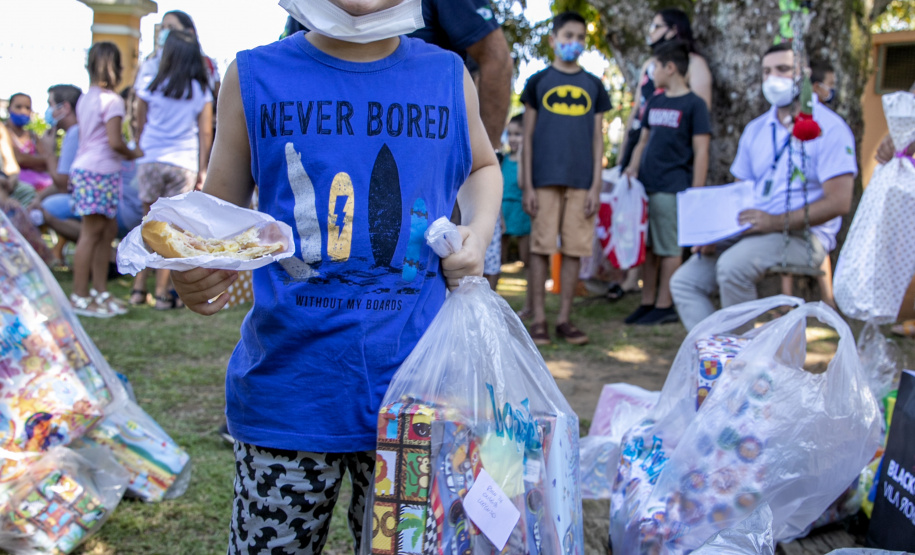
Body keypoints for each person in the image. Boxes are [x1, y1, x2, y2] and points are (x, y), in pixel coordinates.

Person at [170, 0, 500, 551]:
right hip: (287, 399)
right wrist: (194, 269)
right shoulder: (252, 76)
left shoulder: (447, 75)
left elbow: (483, 166)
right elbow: (217, 219)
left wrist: (481, 231)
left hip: (415, 402)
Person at [670, 42, 857, 331]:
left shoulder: (831, 128)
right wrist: (715, 233)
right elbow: (738, 192)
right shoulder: (755, 129)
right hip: (751, 230)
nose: (773, 78)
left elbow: (839, 202)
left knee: (732, 267)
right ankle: (719, 354)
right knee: (684, 282)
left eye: (783, 69)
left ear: (803, 74)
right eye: (766, 71)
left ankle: (747, 367)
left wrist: (774, 221)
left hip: (804, 237)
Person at [520, 11, 611, 346]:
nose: (574, 43)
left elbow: (598, 138)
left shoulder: (593, 85)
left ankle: (564, 319)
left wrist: (596, 184)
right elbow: (527, 137)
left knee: (574, 249)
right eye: (568, 36)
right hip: (543, 179)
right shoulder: (538, 82)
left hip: (581, 180)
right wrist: (527, 183)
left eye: (580, 37)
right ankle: (540, 319)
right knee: (541, 248)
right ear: (553, 40)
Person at [623, 40, 710, 326]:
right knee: (647, 249)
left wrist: (695, 193)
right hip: (645, 187)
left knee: (669, 248)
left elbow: (701, 151)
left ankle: (665, 304)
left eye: (655, 67)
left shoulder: (694, 104)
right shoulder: (655, 101)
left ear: (670, 68)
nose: (652, 73)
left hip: (673, 188)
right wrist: (632, 169)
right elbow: (642, 141)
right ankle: (647, 302)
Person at [130, 30, 213, 310]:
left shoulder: (152, 85)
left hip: (151, 160)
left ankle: (138, 288)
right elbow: (205, 133)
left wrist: (143, 148)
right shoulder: (200, 90)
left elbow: (139, 122)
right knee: (172, 230)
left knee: (148, 225)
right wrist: (203, 169)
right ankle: (164, 293)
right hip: (183, 163)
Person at [69, 42, 143, 318]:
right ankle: (79, 294)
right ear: (116, 68)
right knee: (92, 233)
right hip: (100, 172)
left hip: (90, 170)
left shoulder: (86, 98)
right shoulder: (112, 101)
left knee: (107, 232)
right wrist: (134, 152)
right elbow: (114, 142)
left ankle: (99, 291)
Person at [618, 8, 712, 171]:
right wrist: (623, 154)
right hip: (639, 143)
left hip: (670, 155)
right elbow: (637, 109)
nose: (651, 33)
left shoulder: (694, 64)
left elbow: (700, 115)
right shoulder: (650, 65)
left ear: (673, 30)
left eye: (656, 27)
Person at [135, 10, 220, 116]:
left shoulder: (205, 64)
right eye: (163, 28)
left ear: (189, 33)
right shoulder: (150, 65)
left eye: (171, 28)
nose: (166, 32)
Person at [500, 113, 532, 315]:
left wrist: (522, 156)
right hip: (503, 210)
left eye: (518, 134)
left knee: (527, 260)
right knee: (497, 261)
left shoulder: (527, 162)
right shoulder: (501, 159)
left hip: (522, 211)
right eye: (510, 134)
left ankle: (529, 305)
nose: (513, 139)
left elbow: (522, 183)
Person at [4, 93, 52, 206]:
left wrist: (30, 161)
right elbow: (18, 159)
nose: (23, 111)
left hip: (41, 180)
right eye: (18, 107)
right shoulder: (4, 133)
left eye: (27, 108)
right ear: (9, 109)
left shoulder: (33, 136)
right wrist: (39, 161)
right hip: (13, 180)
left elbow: (48, 161)